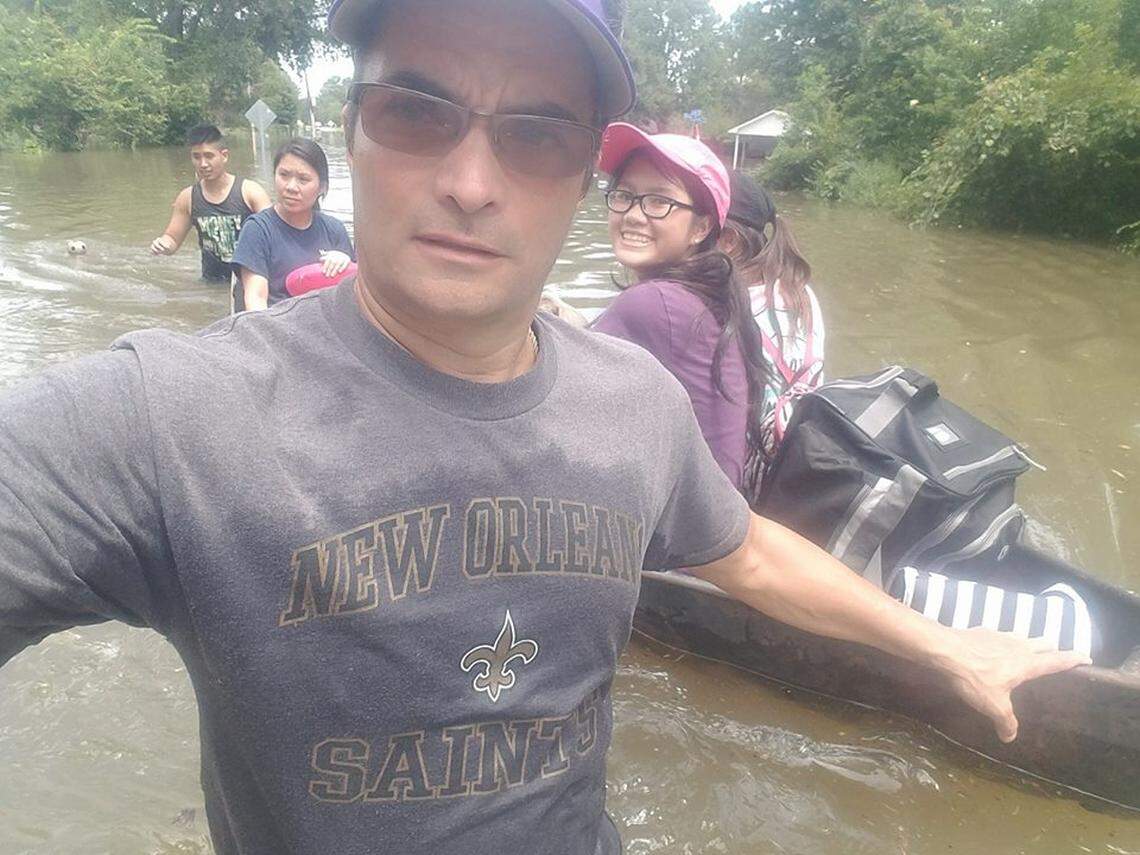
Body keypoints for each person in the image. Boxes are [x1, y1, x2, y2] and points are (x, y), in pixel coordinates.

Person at [0, 1, 1086, 854]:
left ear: (577, 179)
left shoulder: (633, 404)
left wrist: (940, 643)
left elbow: (746, 550)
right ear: (352, 134)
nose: (471, 183)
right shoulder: (174, 418)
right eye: (417, 111)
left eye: (535, 134)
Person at [592, 127, 769, 491]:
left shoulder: (654, 304)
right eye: (624, 195)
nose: (634, 215)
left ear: (701, 227)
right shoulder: (710, 295)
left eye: (659, 202)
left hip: (679, 535)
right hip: (719, 514)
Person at [719, 170, 826, 494]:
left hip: (744, 481)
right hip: (793, 465)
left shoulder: (722, 303)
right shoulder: (799, 292)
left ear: (728, 240)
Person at [231, 138, 355, 311]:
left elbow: (353, 298)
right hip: (276, 325)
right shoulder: (257, 229)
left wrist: (346, 264)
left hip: (324, 326)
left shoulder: (334, 230)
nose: (291, 187)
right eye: (284, 175)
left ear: (322, 188)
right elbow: (256, 299)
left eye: (303, 180)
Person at [150, 124, 271, 284]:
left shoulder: (250, 192)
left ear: (224, 156)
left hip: (249, 280)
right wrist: (163, 244)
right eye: (196, 157)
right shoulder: (188, 198)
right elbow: (172, 238)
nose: (203, 164)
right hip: (210, 282)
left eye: (209, 156)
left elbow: (273, 233)